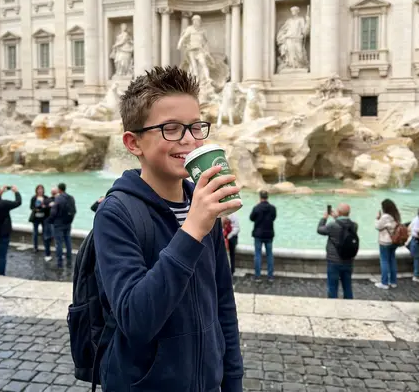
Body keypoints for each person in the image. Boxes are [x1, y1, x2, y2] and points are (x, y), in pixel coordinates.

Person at [94, 66, 243, 391]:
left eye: (195, 127)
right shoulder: (115, 214)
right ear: (134, 143)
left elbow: (223, 306)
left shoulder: (203, 204)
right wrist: (191, 230)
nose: (189, 140)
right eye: (172, 129)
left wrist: (232, 382)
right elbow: (136, 319)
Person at [317, 203, 358, 299]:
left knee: (332, 287)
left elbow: (319, 230)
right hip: (348, 260)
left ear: (338, 212)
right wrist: (337, 217)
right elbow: (344, 226)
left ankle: (333, 307)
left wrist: (324, 218)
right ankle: (349, 306)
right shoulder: (354, 225)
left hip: (334, 261)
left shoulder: (332, 225)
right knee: (347, 286)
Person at [250, 190, 277, 282]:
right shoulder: (273, 208)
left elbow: (251, 218)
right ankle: (270, 276)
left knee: (258, 255)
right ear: (267, 197)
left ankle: (257, 276)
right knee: (269, 255)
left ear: (260, 197)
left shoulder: (256, 207)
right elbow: (273, 218)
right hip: (269, 234)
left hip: (258, 234)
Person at [375, 199, 401, 289]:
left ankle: (384, 283)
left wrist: (377, 218)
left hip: (385, 242)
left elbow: (378, 226)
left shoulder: (385, 216)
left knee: (384, 261)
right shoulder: (396, 215)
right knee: (392, 260)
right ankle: (393, 282)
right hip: (394, 241)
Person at [50, 183, 76, 269]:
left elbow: (53, 212)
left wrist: (51, 220)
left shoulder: (58, 198)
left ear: (59, 189)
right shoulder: (71, 197)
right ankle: (69, 261)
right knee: (68, 242)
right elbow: (74, 211)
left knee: (59, 243)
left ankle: (59, 263)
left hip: (58, 224)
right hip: (68, 223)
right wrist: (70, 221)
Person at [29, 185, 49, 253]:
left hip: (44, 218)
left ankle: (46, 247)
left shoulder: (46, 197)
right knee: (35, 233)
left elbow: (48, 207)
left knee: (45, 233)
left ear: (43, 190)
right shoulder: (34, 198)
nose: (40, 190)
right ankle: (35, 247)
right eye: (39, 189)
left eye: (41, 189)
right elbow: (31, 207)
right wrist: (35, 209)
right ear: (36, 190)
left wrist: (44, 207)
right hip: (35, 218)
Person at [409, 207, 419, 283]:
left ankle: (416, 274)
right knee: (417, 259)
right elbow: (418, 232)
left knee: (416, 258)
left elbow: (410, 227)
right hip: (417, 241)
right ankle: (416, 275)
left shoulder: (416, 218)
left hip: (413, 240)